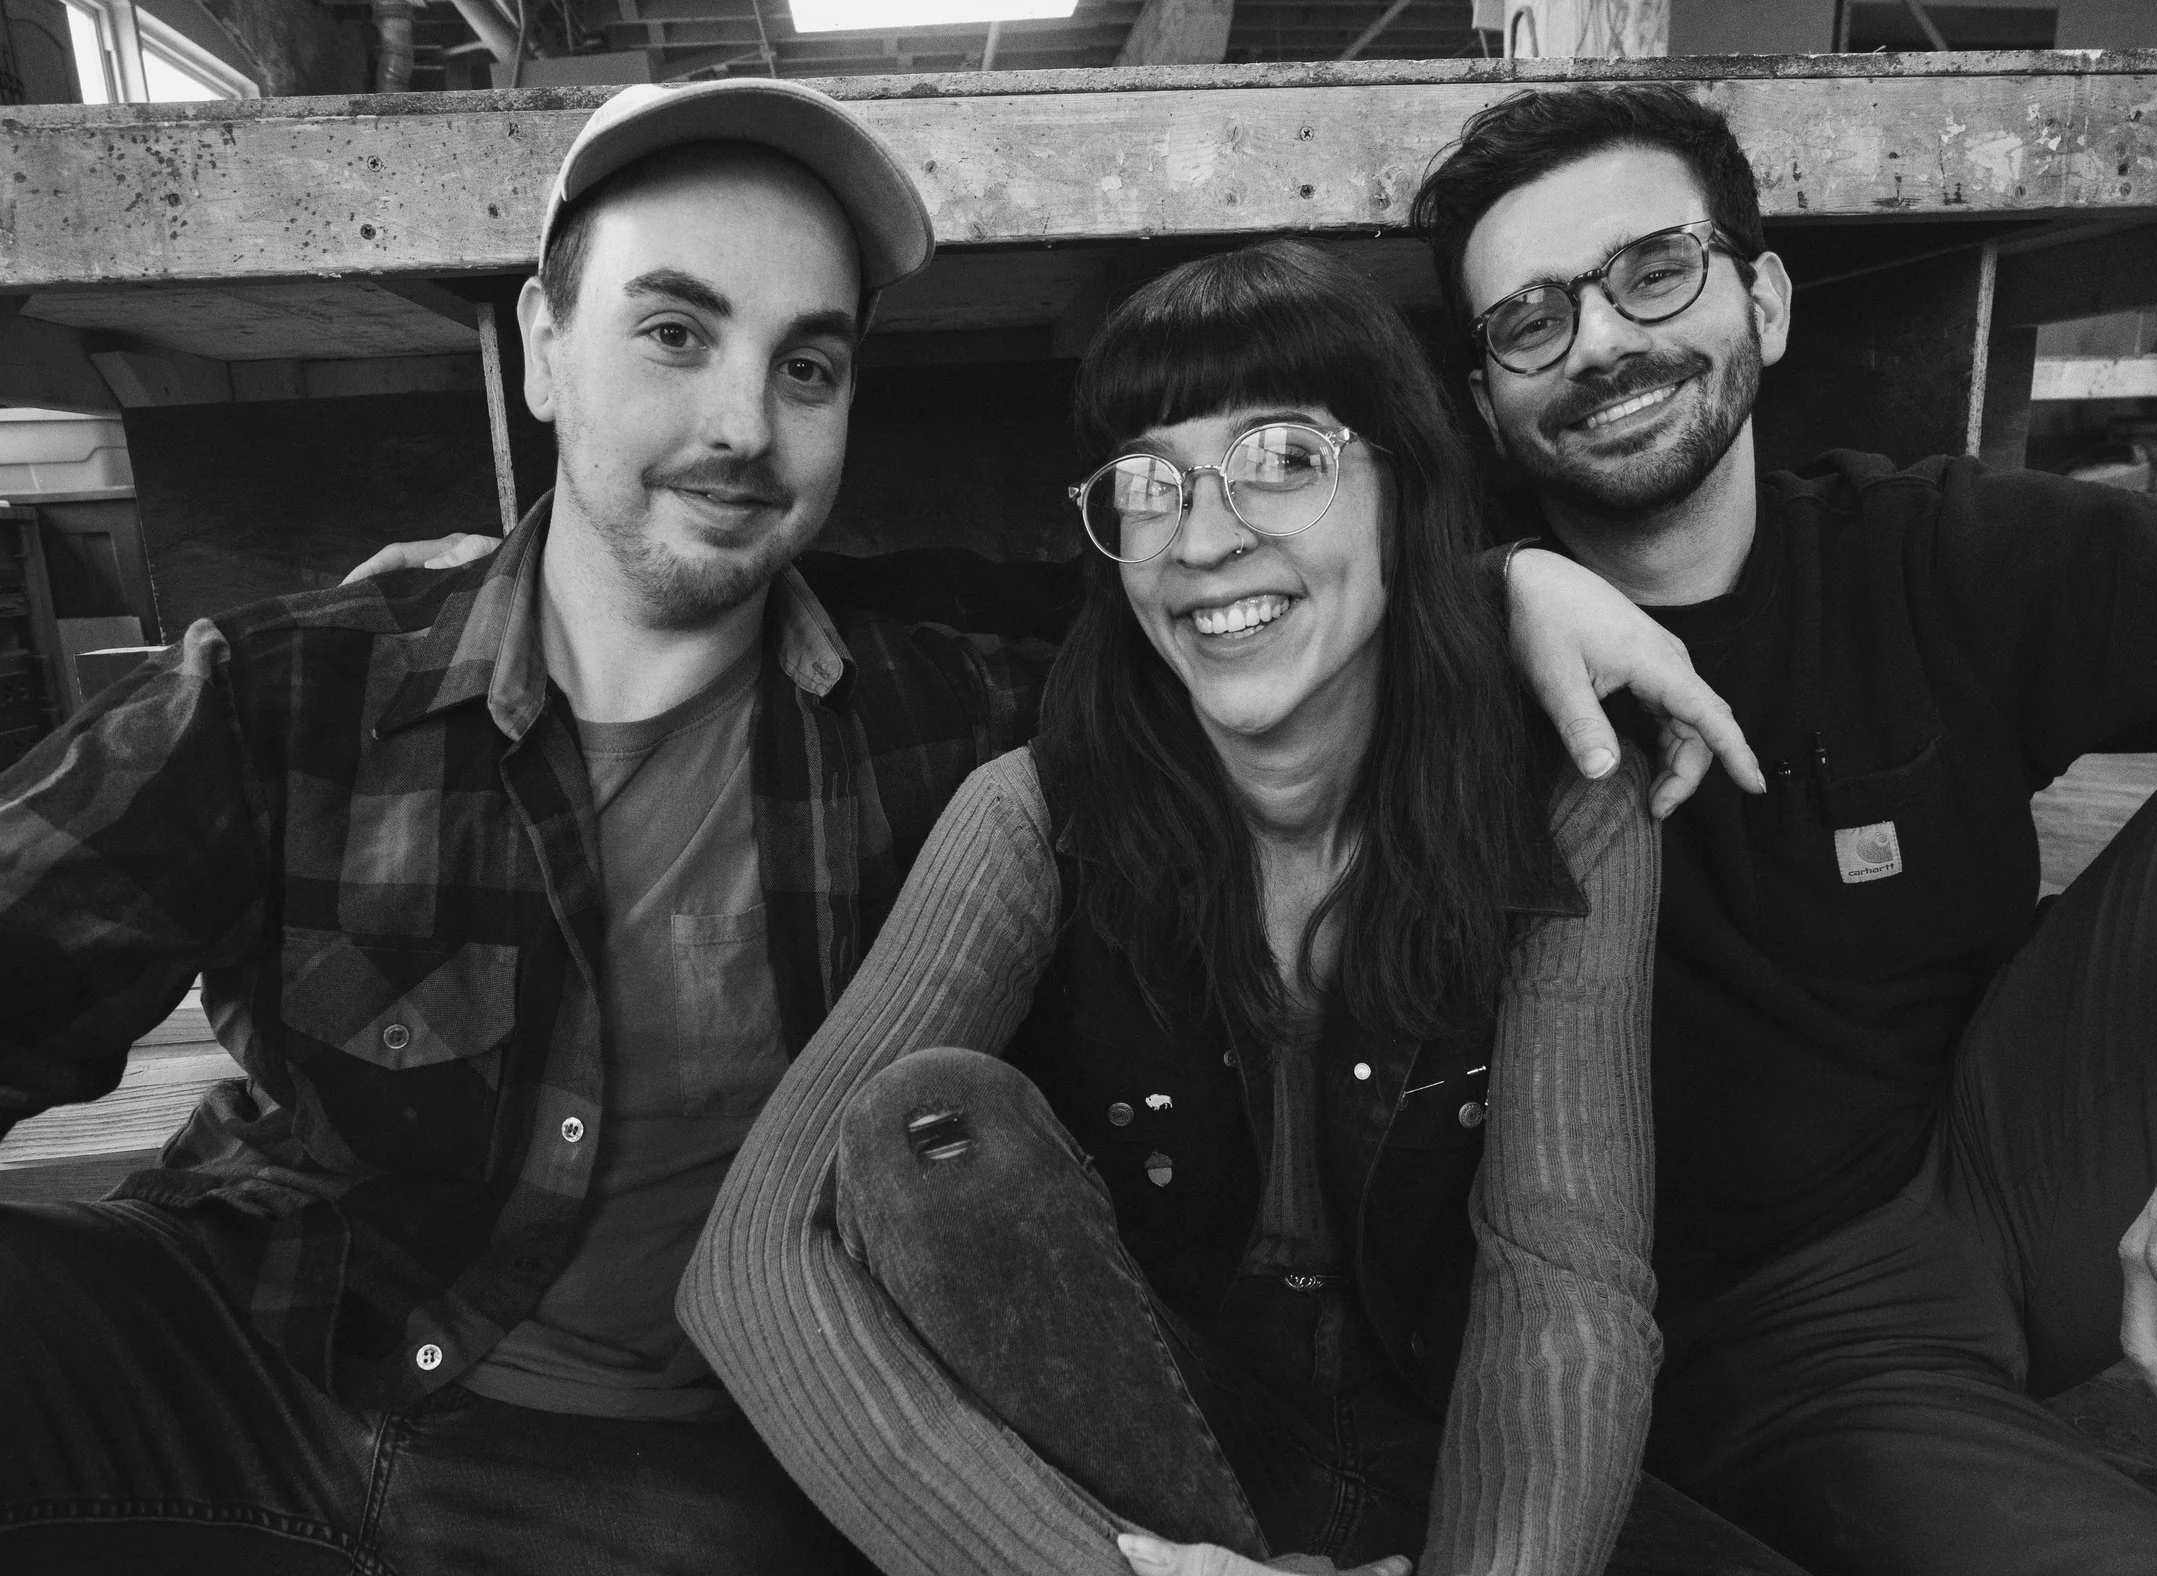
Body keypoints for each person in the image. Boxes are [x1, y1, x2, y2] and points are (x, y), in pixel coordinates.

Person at [0, 79, 1753, 1575]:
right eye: (673, 333)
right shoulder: (294, 689)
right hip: (263, 1351)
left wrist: (1500, 584)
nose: (740, 422)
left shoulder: (950, 708)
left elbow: (1244, 625)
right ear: (541, 345)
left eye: (809, 365)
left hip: (674, 1479)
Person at [1408, 82, 2157, 1576]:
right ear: (1484, 402)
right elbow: (1174, 622)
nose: (1599, 341)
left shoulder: (1935, 553)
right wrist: (1480, 588)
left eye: (1653, 271)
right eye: (1531, 321)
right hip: (1786, 1329)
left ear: (1763, 301)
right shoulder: (1432, 648)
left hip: (2019, 1152)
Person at [678, 239, 1798, 1576]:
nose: (1204, 540)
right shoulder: (1032, 816)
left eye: (1283, 458)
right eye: (1149, 484)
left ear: (1403, 489)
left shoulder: (1565, 796)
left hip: (1453, 1438)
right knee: (933, 1132)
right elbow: (752, 1260)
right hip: (1138, 1437)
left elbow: (1562, 1276)